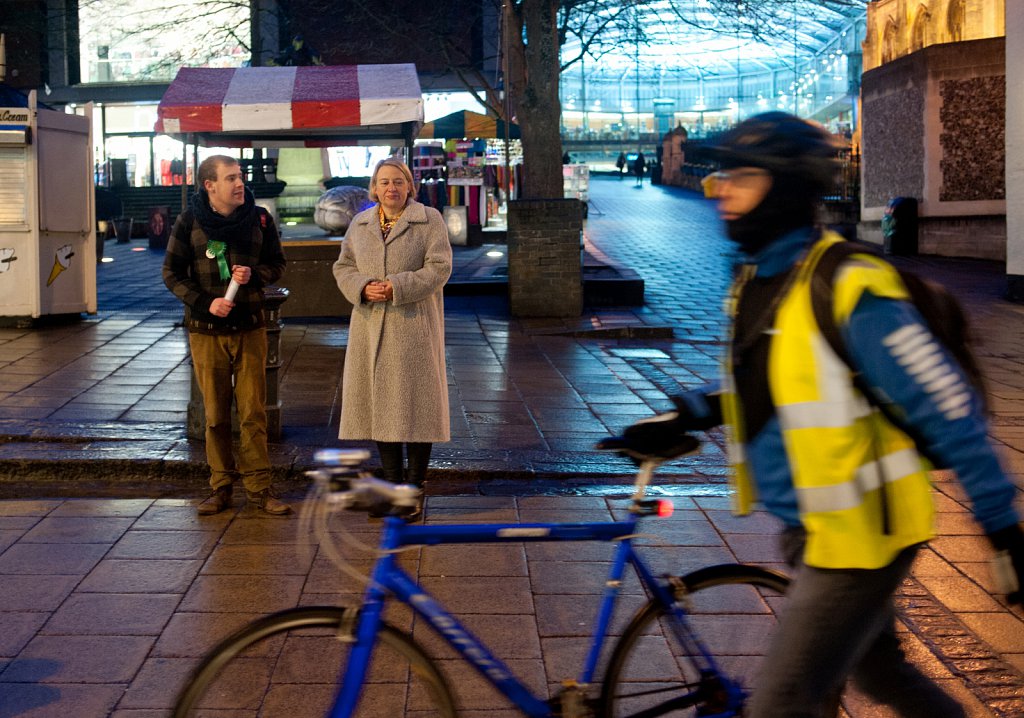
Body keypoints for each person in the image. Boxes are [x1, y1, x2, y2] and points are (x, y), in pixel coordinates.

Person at [615, 112, 1023, 717]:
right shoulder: (760, 279)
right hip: (812, 527)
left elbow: (949, 408)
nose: (720, 191)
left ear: (786, 188)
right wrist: (689, 414)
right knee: (882, 675)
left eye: (740, 178)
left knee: (780, 703)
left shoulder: (852, 287)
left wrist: (1002, 527)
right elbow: (779, 384)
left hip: (861, 539)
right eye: (718, 178)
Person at [163, 155, 290, 517]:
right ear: (210, 185)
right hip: (206, 332)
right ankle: (220, 488)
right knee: (216, 415)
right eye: (231, 177)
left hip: (250, 328)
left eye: (240, 176)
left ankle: (260, 490)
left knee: (253, 413)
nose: (240, 183)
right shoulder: (189, 221)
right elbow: (171, 273)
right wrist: (205, 303)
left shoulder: (260, 218)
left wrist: (256, 274)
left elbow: (277, 264)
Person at [332, 158, 452, 520]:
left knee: (416, 409)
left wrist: (397, 286)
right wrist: (363, 287)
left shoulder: (429, 219)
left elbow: (440, 266)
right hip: (370, 328)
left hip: (412, 326)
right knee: (380, 408)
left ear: (410, 186)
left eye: (398, 182)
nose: (391, 189)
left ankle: (413, 491)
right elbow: (343, 266)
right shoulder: (361, 223)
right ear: (374, 188)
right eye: (384, 182)